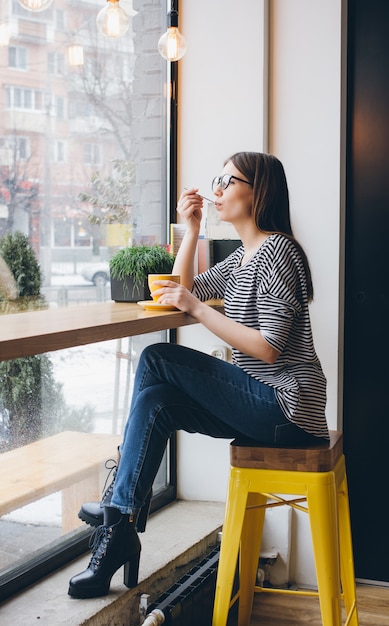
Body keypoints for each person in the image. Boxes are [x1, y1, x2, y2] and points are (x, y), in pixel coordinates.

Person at [68, 151, 328, 599]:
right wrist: (191, 231)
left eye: (228, 181)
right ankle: (120, 526)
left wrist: (195, 309)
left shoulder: (277, 252)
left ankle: (119, 516)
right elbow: (177, 294)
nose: (218, 190)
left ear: (258, 191)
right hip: (262, 406)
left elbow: (269, 348)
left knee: (155, 359)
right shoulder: (243, 258)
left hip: (288, 409)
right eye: (218, 180)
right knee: (157, 403)